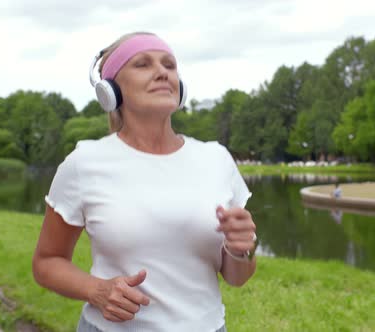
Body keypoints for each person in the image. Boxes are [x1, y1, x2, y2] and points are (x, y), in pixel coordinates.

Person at [32, 32, 257, 332]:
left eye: (169, 65)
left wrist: (242, 249)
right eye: (142, 64)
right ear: (110, 90)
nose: (162, 72)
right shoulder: (85, 163)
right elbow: (47, 262)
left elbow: (236, 277)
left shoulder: (216, 159)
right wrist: (95, 290)